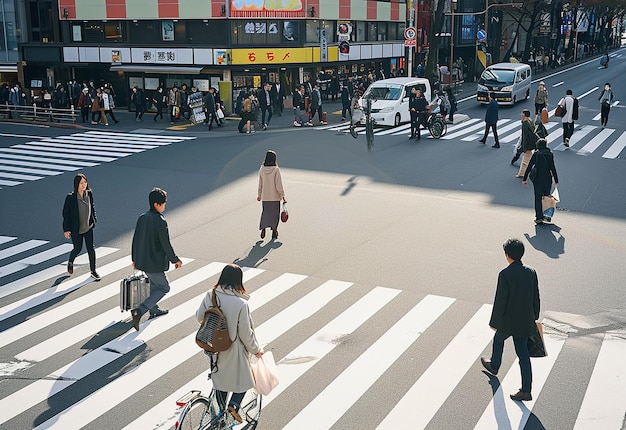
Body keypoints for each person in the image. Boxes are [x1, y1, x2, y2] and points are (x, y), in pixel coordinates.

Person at [195, 264, 263, 424]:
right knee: (248, 380)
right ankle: (233, 405)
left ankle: (216, 420)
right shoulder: (241, 304)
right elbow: (246, 334)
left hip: (212, 347)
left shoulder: (210, 295)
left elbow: (199, 317)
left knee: (220, 382)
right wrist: (256, 350)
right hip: (233, 349)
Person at [481, 238, 540, 402]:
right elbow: (536, 297)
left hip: (508, 321)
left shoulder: (505, 274)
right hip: (524, 321)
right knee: (523, 355)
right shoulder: (531, 272)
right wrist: (534, 316)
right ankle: (526, 390)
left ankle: (494, 365)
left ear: (507, 255)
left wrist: (495, 323)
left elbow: (501, 301)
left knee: (498, 340)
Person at [130, 187, 183, 331]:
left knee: (153, 286)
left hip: (142, 260)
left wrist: (134, 258)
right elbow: (165, 243)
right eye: (163, 203)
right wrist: (175, 260)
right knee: (164, 287)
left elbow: (135, 239)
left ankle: (154, 309)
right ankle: (140, 311)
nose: (165, 205)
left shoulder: (142, 217)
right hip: (154, 262)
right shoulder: (160, 221)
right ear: (156, 204)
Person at [62, 173, 99, 281]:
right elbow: (66, 214)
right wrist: (66, 229)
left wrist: (94, 219)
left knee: (91, 249)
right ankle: (70, 261)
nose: (84, 185)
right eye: (81, 183)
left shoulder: (89, 194)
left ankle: (93, 271)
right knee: (77, 248)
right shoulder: (71, 198)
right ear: (76, 184)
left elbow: (92, 206)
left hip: (88, 227)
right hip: (76, 229)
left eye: (85, 182)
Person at [522, 138, 559, 224]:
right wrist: (556, 180)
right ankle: (547, 215)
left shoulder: (536, 154)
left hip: (538, 179)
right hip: (548, 179)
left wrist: (525, 178)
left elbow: (529, 166)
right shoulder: (550, 154)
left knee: (538, 198)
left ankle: (539, 217)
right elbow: (553, 168)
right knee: (546, 197)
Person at [257, 150, 286, 240]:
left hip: (265, 197)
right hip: (275, 197)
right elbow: (279, 185)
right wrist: (282, 195)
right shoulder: (276, 170)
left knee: (266, 213)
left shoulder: (262, 169)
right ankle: (274, 232)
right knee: (275, 215)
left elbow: (260, 183)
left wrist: (259, 195)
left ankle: (263, 228)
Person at [516, 110, 537, 178]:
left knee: (525, 160)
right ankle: (523, 172)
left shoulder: (525, 123)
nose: (521, 114)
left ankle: (522, 173)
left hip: (527, 144)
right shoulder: (530, 121)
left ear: (524, 115)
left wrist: (523, 145)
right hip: (531, 143)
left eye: (522, 113)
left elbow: (525, 136)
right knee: (528, 158)